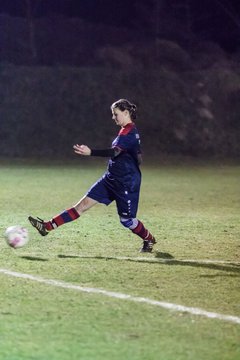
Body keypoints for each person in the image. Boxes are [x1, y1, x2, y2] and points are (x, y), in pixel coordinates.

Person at [28, 99, 156, 252]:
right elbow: (138, 157)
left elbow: (114, 152)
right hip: (110, 179)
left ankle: (148, 239)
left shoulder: (129, 133)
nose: (113, 117)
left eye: (116, 114)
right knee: (81, 206)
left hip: (126, 184)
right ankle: (47, 227)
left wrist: (91, 152)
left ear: (126, 113)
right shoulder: (127, 131)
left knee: (127, 220)